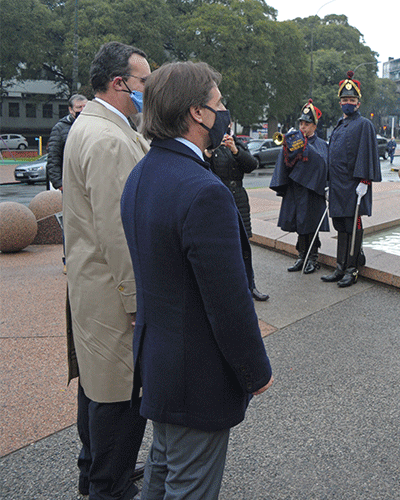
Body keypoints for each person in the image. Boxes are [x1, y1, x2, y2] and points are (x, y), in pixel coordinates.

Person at [121, 61, 273, 498]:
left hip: (159, 362)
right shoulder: (204, 191)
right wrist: (255, 371)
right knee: (188, 487)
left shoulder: (141, 174)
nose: (223, 110)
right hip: (196, 374)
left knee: (162, 474)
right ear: (198, 114)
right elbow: (228, 302)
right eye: (218, 102)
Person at [62, 41, 150, 500]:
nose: (148, 92)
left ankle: (93, 472)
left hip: (93, 286)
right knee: (118, 397)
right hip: (113, 294)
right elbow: (121, 233)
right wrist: (138, 302)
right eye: (143, 83)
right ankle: (107, 485)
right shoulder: (109, 138)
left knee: (96, 389)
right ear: (120, 84)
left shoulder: (94, 125)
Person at [321, 70, 382, 287]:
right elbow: (331, 157)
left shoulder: (364, 124)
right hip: (337, 187)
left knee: (353, 226)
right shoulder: (338, 125)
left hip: (355, 187)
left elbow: (366, 155)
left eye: (352, 100)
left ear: (358, 103)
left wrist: (364, 182)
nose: (348, 102)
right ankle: (340, 267)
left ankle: (352, 269)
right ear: (340, 103)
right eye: (345, 99)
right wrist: (327, 184)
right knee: (340, 226)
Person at [204, 123, 268, 301]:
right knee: (221, 246)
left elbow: (251, 165)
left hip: (239, 197)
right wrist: (208, 153)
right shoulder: (209, 144)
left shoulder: (237, 144)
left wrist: (235, 150)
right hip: (219, 197)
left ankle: (251, 285)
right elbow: (203, 169)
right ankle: (226, 290)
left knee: (244, 245)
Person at [270, 99, 329, 274]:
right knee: (299, 225)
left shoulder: (321, 144)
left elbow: (322, 163)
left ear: (314, 126)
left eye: (307, 124)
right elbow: (284, 165)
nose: (303, 127)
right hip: (296, 191)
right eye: (301, 123)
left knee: (311, 226)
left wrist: (304, 149)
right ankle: (301, 257)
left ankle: (312, 259)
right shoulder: (293, 141)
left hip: (312, 192)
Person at [47, 94, 87, 191]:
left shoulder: (94, 124)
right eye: (78, 107)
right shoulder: (60, 128)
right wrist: (60, 184)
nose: (82, 110)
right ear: (71, 110)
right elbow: (53, 158)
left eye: (85, 107)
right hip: (70, 183)